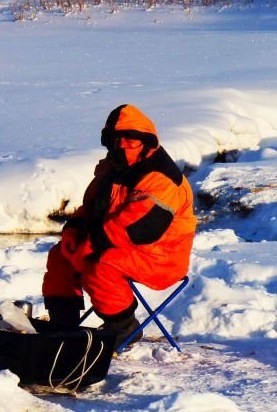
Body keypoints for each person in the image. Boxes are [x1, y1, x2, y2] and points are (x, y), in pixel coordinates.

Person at [42, 104, 196, 347]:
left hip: (160, 256)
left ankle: (124, 329)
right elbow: (91, 209)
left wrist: (91, 245)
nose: (123, 145)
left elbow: (138, 228)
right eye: (117, 139)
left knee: (101, 264)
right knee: (60, 256)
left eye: (131, 140)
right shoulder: (112, 170)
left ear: (147, 142)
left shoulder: (162, 178)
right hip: (119, 245)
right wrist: (73, 230)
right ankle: (62, 327)